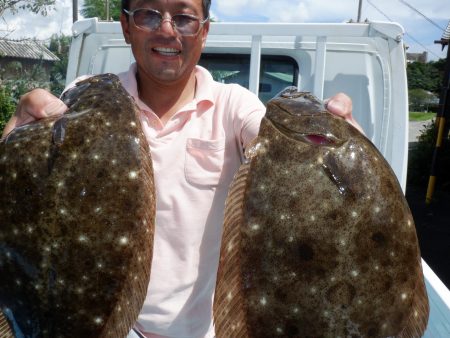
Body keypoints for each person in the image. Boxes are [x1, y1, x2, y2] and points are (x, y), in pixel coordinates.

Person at [1, 0, 363, 337]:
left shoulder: (234, 106)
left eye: (185, 17)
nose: (167, 30)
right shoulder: (86, 96)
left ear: (204, 30)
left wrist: (338, 148)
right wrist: (13, 140)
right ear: (126, 27)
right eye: (148, 14)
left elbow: (278, 144)